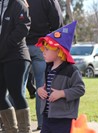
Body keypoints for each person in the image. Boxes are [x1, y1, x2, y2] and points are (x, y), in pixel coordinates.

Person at [35, 21, 85, 133]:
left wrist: (62, 93)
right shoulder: (48, 68)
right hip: (47, 117)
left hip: (64, 119)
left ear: (58, 50)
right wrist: (39, 91)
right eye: (43, 49)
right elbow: (45, 87)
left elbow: (80, 89)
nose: (43, 52)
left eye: (47, 49)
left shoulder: (71, 70)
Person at [26, 0, 63, 130]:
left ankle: (16, 124)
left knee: (16, 86)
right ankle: (42, 123)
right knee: (42, 85)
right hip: (42, 45)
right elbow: (57, 20)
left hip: (21, 45)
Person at [0, 0, 32, 132]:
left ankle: (25, 130)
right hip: (2, 56)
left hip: (16, 56)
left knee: (16, 93)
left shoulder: (18, 4)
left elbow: (23, 27)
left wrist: (5, 45)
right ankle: (11, 130)